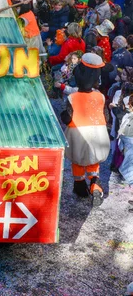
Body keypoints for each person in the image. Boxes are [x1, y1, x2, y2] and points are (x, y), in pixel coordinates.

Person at [61, 53, 110, 206]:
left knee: (78, 161)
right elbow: (106, 117)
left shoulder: (73, 97)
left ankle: (80, 188)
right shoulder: (100, 97)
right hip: (98, 135)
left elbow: (67, 118)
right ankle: (95, 186)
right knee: (93, 161)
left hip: (78, 135)